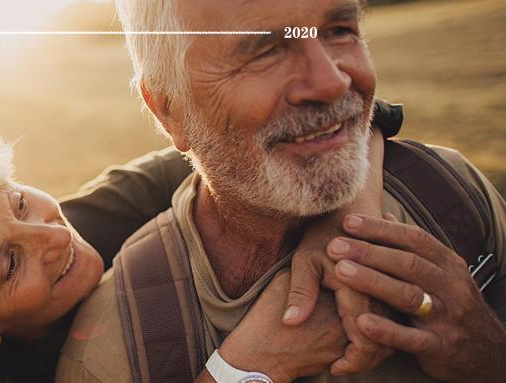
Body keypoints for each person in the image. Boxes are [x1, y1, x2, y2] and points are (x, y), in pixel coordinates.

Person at [56, 0, 506, 382]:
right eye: (265, 51)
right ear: (169, 109)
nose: (332, 82)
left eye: (339, 30)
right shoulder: (118, 347)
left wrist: (486, 349)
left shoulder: (451, 192)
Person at [0, 116, 393, 382]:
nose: (53, 235)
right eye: (10, 263)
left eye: (18, 202)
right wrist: (249, 367)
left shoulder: (104, 212)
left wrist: (345, 224)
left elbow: (334, 111)